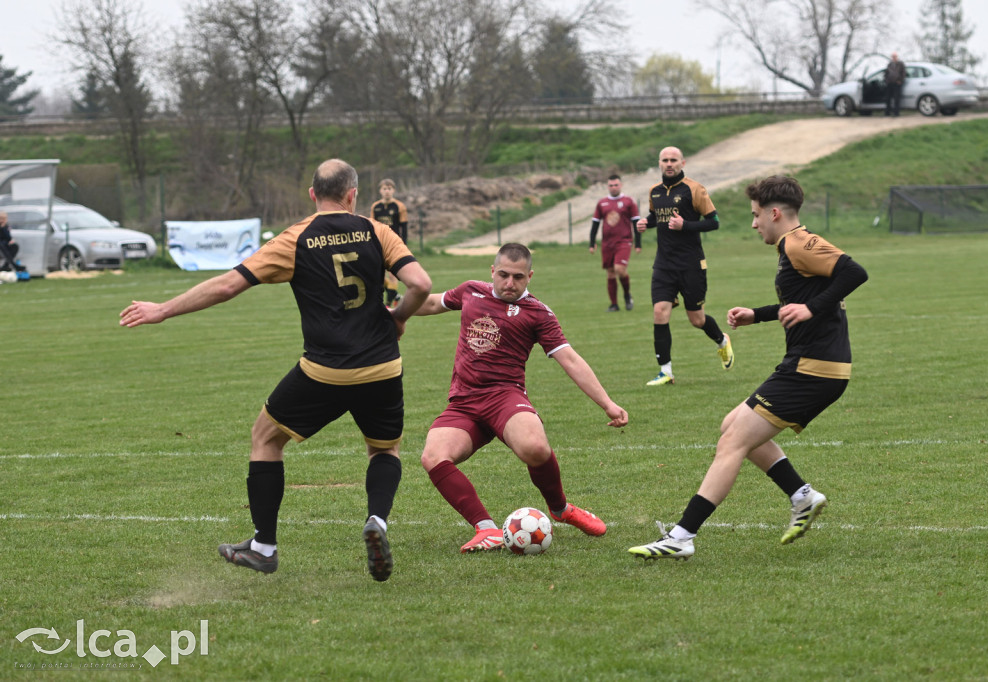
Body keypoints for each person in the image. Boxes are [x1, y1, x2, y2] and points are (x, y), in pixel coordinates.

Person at [119, 159, 432, 581]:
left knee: (265, 437)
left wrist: (163, 309)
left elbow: (228, 285)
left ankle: (264, 546)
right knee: (383, 450)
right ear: (354, 194)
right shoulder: (378, 231)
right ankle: (377, 520)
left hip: (325, 370)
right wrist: (398, 317)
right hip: (382, 367)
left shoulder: (295, 238)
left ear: (312, 194)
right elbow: (422, 284)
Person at [628, 175, 868, 561]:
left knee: (733, 442)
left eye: (757, 215)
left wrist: (811, 308)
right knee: (731, 426)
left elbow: (854, 273)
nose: (754, 223)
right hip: (811, 365)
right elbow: (804, 299)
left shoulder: (798, 242)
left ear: (775, 213)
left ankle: (681, 536)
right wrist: (757, 315)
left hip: (814, 369)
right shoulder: (791, 248)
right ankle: (802, 496)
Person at [415, 242, 629, 553]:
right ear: (492, 271)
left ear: (530, 276)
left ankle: (560, 509)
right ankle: (485, 529)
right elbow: (433, 303)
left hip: (505, 397)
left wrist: (608, 404)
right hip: (464, 402)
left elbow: (569, 358)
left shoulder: (537, 313)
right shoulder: (471, 291)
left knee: (535, 447)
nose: (509, 283)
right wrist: (390, 313)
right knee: (432, 457)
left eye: (518, 277)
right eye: (503, 275)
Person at [636, 146, 733, 386]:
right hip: (664, 264)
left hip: (691, 265)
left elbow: (714, 222)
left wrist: (686, 226)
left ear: (683, 163)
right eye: (665, 160)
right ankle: (666, 371)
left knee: (697, 320)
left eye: (673, 160)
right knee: (660, 313)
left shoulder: (695, 189)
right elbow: (656, 217)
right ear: (659, 163)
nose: (669, 164)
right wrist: (644, 223)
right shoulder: (654, 192)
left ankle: (722, 341)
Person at [590, 174, 641, 312]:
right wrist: (592, 242)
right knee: (611, 273)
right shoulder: (602, 203)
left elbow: (636, 222)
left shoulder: (628, 201)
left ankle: (627, 294)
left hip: (624, 241)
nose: (613, 188)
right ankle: (614, 304)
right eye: (611, 185)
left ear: (621, 185)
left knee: (620, 269)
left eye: (616, 185)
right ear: (608, 186)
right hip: (607, 243)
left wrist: (638, 243)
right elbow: (595, 223)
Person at [371, 178, 409, 308]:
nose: (387, 191)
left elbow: (404, 227)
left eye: (389, 188)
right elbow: (372, 227)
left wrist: (403, 245)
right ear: (380, 191)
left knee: (392, 275)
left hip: (393, 245)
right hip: (379, 245)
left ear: (393, 190)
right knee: (377, 276)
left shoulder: (399, 206)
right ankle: (396, 296)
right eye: (384, 189)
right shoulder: (375, 207)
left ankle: (387, 304)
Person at [884, 53, 907, 117]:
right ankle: (887, 112)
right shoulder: (889, 64)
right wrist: (886, 81)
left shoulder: (901, 64)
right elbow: (886, 73)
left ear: (897, 57)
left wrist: (900, 81)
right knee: (888, 98)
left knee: (896, 98)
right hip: (889, 83)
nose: (894, 58)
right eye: (893, 57)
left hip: (897, 84)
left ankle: (896, 113)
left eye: (895, 56)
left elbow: (904, 73)